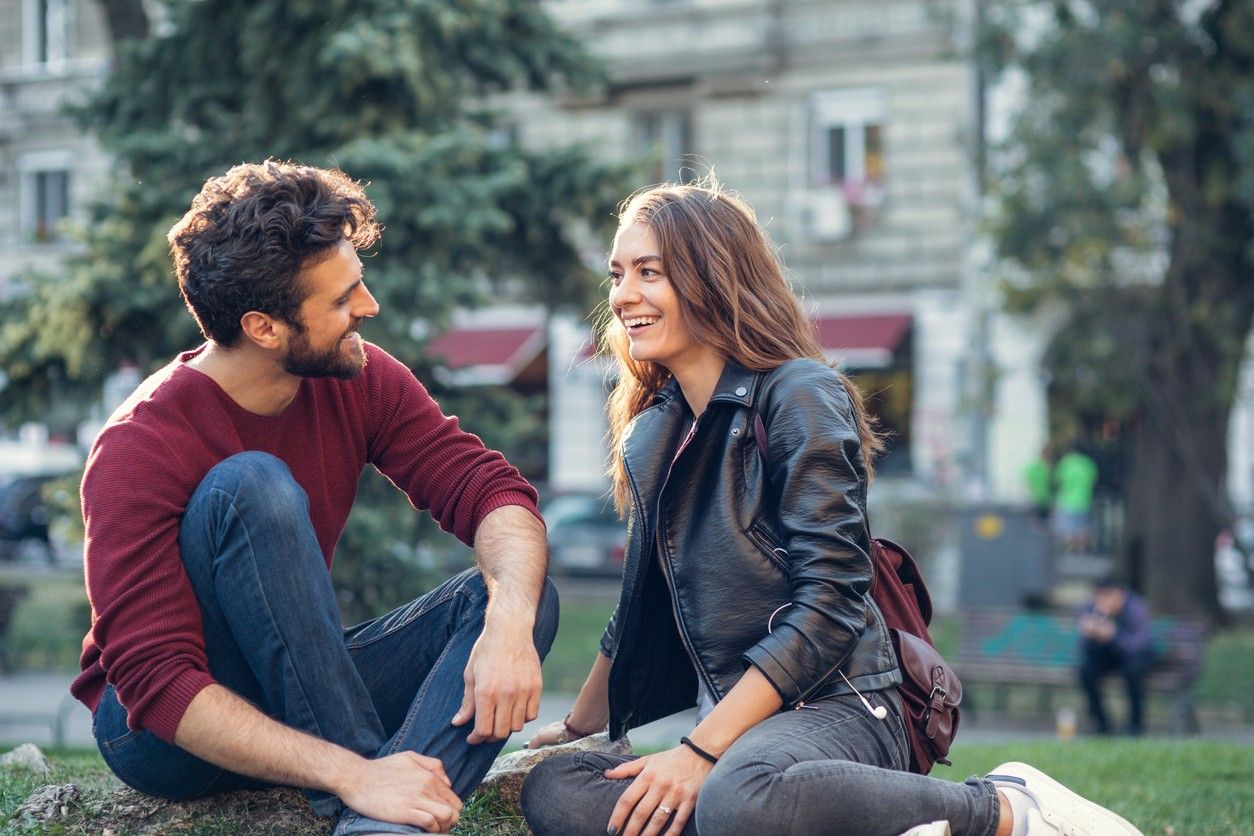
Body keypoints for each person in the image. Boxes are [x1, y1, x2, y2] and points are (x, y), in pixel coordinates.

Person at [518, 180, 1141, 836]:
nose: (623, 297)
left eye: (650, 272)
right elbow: (636, 607)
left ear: (711, 275)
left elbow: (831, 608)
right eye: (617, 275)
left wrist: (701, 750)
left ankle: (1004, 806)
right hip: (743, 724)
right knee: (557, 788)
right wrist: (577, 728)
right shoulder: (656, 432)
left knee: (739, 795)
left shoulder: (799, 394)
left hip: (842, 702)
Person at [72, 160, 559, 835]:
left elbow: (488, 489)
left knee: (516, 596)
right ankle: (367, 784)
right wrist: (354, 770)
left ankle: (379, 826)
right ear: (264, 328)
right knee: (252, 486)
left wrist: (508, 622)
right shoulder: (141, 444)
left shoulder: (358, 376)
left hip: (299, 690)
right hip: (165, 733)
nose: (369, 307)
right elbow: (158, 683)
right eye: (341, 300)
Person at [1078, 577, 1155, 736]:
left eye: (1108, 596)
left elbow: (1139, 645)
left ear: (1120, 594)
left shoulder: (1135, 608)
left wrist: (1114, 636)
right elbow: (1086, 648)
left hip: (1133, 657)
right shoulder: (1091, 609)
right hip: (1107, 656)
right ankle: (1101, 723)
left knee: (1133, 672)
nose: (1104, 601)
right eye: (1100, 596)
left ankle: (1135, 725)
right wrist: (1090, 634)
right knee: (1086, 671)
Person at [1051, 446, 1098, 553]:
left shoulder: (1065, 463)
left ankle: (1070, 553)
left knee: (1067, 532)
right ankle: (1083, 553)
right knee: (1083, 530)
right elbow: (1094, 482)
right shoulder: (1088, 463)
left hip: (1066, 502)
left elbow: (1056, 481)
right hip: (1085, 501)